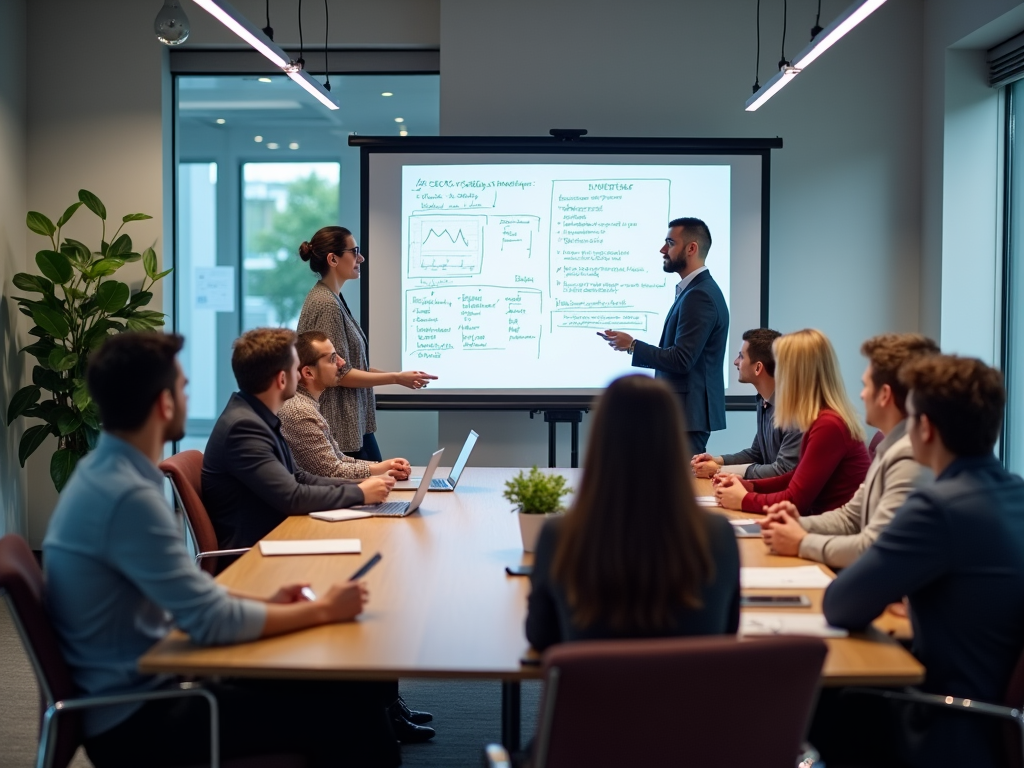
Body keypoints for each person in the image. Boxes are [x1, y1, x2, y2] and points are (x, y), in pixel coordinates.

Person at [43, 332, 402, 768]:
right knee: (349, 711)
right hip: (142, 718)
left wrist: (266, 602)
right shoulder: (127, 498)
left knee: (348, 685)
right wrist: (322, 610)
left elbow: (190, 595)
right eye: (184, 386)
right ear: (165, 404)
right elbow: (211, 620)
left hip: (155, 685)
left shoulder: (104, 475)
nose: (188, 394)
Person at [821, 355, 1024, 768]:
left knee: (822, 701)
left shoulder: (937, 506)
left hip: (946, 723)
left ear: (926, 428)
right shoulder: (1014, 492)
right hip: (995, 722)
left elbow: (841, 605)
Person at [526, 375, 740, 651]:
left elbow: (541, 637)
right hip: (689, 694)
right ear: (673, 440)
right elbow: (728, 634)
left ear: (601, 440)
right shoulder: (718, 536)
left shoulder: (559, 536)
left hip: (594, 694)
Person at [202, 328, 393, 551]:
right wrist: (359, 493)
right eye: (295, 369)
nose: (300, 376)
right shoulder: (243, 428)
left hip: (278, 536)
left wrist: (361, 485)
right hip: (255, 553)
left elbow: (299, 477)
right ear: (283, 379)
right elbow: (292, 497)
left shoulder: (256, 416)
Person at [760, 333, 939, 567]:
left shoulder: (909, 458)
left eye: (865, 385)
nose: (861, 394)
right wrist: (799, 525)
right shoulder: (889, 448)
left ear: (884, 395)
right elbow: (851, 517)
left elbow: (874, 548)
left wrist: (802, 541)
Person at [296, 226, 437, 461]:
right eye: (355, 251)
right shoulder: (325, 304)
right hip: (340, 425)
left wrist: (400, 375)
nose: (360, 258)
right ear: (333, 259)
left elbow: (348, 366)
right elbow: (340, 374)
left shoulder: (333, 298)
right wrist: (395, 378)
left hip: (351, 424)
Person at [598, 217, 729, 455]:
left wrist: (633, 346)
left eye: (670, 242)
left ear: (691, 248)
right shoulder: (694, 291)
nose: (662, 249)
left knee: (677, 490)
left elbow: (681, 359)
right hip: (685, 416)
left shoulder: (699, 296)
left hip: (686, 417)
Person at [714, 328, 870, 515]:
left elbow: (795, 500)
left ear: (795, 373)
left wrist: (744, 499)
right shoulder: (819, 418)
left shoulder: (829, 425)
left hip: (830, 532)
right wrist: (747, 486)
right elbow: (795, 478)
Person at [280, 331, 413, 481]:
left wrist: (384, 467)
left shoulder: (307, 405)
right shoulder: (300, 411)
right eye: (332, 359)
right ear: (308, 373)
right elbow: (331, 471)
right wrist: (380, 470)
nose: (342, 363)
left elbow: (338, 459)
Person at [691, 328, 802, 479]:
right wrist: (717, 461)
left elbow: (784, 470)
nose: (735, 362)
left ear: (758, 368)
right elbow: (757, 453)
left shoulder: (795, 410)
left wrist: (719, 470)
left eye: (741, 356)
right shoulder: (764, 401)